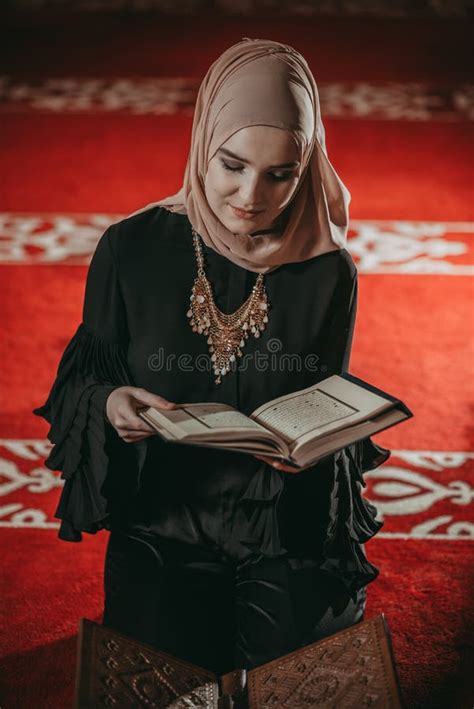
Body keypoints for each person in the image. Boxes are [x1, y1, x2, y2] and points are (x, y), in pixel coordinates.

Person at [33, 38, 391, 675]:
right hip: (166, 514)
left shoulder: (328, 269)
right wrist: (112, 402)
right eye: (232, 165)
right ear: (203, 143)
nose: (251, 195)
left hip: (283, 519)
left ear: (307, 167)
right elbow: (83, 378)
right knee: (167, 675)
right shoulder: (131, 248)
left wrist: (310, 446)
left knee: (298, 678)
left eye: (280, 174)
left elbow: (323, 398)